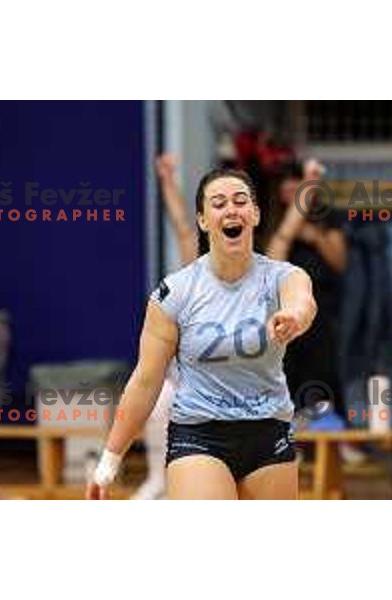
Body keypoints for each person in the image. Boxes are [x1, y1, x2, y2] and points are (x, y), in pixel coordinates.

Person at [87, 168, 316, 500]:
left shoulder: (282, 275)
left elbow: (303, 300)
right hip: (199, 434)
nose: (231, 209)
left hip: (269, 431)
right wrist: (108, 461)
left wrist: (295, 315)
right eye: (218, 203)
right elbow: (145, 381)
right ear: (204, 220)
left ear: (255, 214)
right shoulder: (176, 292)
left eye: (240, 201)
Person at [130, 154, 196, 500]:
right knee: (161, 397)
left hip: (220, 390)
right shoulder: (188, 286)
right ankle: (158, 478)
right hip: (180, 382)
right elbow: (184, 229)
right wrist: (168, 182)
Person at [266, 159, 347, 420]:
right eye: (287, 187)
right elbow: (273, 258)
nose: (291, 191)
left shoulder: (325, 217)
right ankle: (293, 435)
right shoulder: (271, 221)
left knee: (324, 371)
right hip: (282, 310)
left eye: (298, 186)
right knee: (288, 373)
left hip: (321, 307)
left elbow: (339, 261)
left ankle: (334, 431)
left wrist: (315, 237)